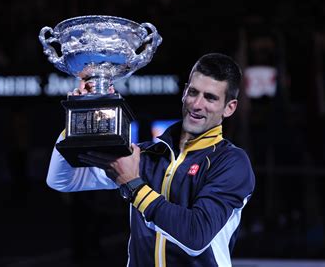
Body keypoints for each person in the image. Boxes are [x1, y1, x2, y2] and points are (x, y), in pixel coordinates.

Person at [47, 53, 256, 267]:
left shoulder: (231, 162)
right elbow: (62, 180)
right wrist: (79, 119)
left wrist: (134, 186)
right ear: (184, 92)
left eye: (210, 98)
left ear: (229, 108)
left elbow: (196, 235)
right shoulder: (146, 154)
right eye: (193, 92)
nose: (197, 104)